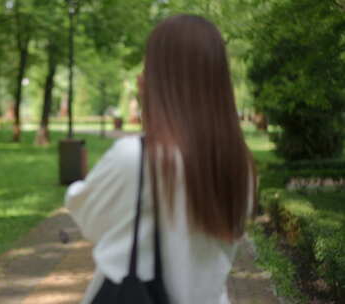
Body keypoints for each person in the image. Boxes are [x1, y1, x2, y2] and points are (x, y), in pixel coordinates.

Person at [65, 15, 256, 304]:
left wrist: (75, 186)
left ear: (161, 79)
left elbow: (89, 219)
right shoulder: (240, 164)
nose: (142, 76)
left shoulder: (137, 157)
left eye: (148, 66)